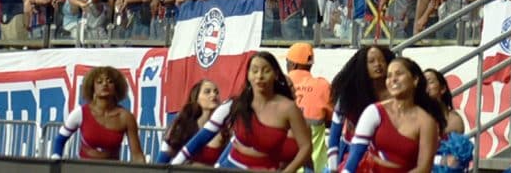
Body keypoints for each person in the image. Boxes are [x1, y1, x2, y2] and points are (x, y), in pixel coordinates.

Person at [169, 51, 312, 169]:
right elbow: (199, 140)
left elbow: (306, 149)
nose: (259, 76)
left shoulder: (289, 109)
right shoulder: (235, 105)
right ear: (248, 75)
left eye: (266, 71)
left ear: (275, 74)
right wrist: (171, 167)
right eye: (254, 71)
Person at [341, 56, 448, 173]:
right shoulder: (374, 111)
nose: (393, 79)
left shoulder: (427, 122)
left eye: (399, 74)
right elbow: (356, 153)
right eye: (389, 76)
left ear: (415, 80)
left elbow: (424, 168)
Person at [52, 65, 146, 161]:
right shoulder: (80, 113)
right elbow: (60, 140)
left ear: (116, 88)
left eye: (110, 81)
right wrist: (56, 159)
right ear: (92, 87)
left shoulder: (126, 117)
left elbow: (137, 154)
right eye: (99, 82)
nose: (105, 84)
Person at [329, 45, 395, 168]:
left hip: (384, 160)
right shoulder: (348, 96)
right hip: (349, 157)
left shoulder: (397, 96)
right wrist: (333, 167)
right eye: (371, 61)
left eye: (382, 60)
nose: (378, 64)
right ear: (362, 66)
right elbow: (334, 135)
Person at [288, 44, 333, 173]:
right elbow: (331, 122)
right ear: (310, 64)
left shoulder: (279, 85)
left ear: (293, 65)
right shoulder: (323, 86)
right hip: (316, 167)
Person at [162, 81, 225, 166]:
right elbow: (163, 159)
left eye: (216, 92)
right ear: (196, 98)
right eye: (207, 92)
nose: (213, 95)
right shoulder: (182, 127)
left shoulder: (224, 129)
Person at [423, 70, 474, 173]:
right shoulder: (417, 116)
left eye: (430, 82)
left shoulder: (454, 119)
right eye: (423, 83)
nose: (426, 86)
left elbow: (455, 159)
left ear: (442, 89)